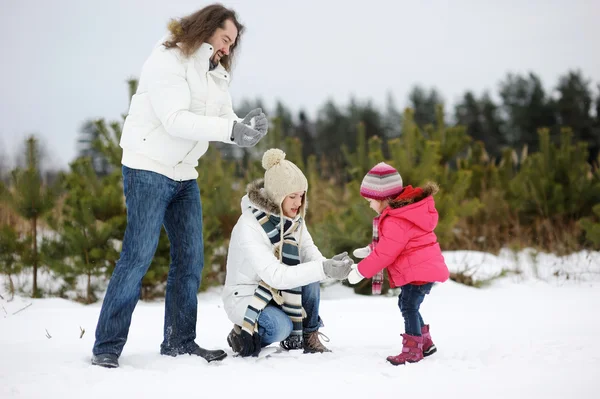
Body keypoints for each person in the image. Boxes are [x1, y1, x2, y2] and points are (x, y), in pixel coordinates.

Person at [91, 4, 268, 368]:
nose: (228, 49)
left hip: (184, 173)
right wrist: (229, 129)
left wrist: (243, 128)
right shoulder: (168, 57)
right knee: (138, 255)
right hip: (147, 168)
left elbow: (222, 119)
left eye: (233, 44)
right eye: (225, 39)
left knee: (191, 259)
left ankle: (180, 342)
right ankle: (107, 345)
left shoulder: (216, 72)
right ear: (207, 29)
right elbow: (175, 120)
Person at [222, 148, 353, 357]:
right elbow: (274, 275)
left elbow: (310, 253)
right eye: (292, 196)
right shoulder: (249, 224)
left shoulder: (294, 220)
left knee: (311, 270)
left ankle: (308, 335)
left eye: (301, 196)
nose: (298, 203)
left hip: (278, 292)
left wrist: (332, 267)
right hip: (248, 295)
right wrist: (322, 269)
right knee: (279, 328)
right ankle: (244, 333)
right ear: (277, 195)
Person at [347, 162, 450, 365]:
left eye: (370, 200)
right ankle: (425, 343)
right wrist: (370, 250)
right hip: (420, 270)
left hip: (419, 272)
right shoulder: (401, 215)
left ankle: (413, 350)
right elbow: (392, 244)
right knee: (407, 304)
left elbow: (386, 254)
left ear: (383, 199)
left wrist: (361, 271)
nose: (369, 205)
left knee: (409, 306)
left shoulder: (396, 220)